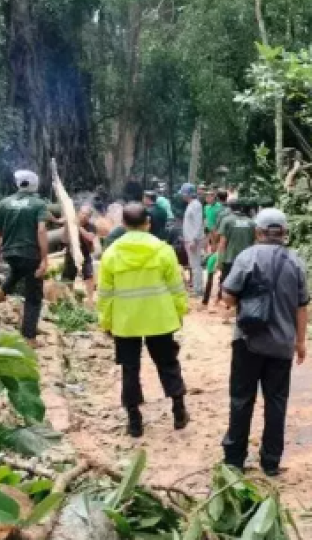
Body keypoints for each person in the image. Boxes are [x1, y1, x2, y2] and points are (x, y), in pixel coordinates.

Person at [220, 208, 309, 477]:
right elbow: (301, 307)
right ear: (284, 232)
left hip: (247, 341)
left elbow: (228, 297)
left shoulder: (247, 257)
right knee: (276, 402)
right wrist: (300, 342)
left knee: (241, 398)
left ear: (258, 232)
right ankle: (270, 462)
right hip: (282, 345)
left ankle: (234, 459)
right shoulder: (296, 262)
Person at [98, 204, 190, 438]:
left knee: (130, 369)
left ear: (124, 224)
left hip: (126, 322)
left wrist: (106, 321)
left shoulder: (112, 253)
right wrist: (180, 311)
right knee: (168, 364)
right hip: (159, 319)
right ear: (148, 223)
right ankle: (179, 411)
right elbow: (176, 287)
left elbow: (105, 294)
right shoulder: (163, 250)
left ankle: (134, 421)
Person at [0, 170, 50, 344]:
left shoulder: (3, 203)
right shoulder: (39, 204)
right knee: (33, 296)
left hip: (10, 252)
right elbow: (41, 230)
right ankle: (29, 336)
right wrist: (44, 258)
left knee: (16, 271)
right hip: (30, 254)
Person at [217, 199, 256, 306]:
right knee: (244, 284)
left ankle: (227, 307)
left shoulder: (227, 220)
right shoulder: (251, 223)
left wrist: (219, 260)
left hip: (230, 258)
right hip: (247, 260)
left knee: (228, 284)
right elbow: (255, 243)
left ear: (230, 208)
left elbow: (222, 242)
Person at [61, 204, 97, 306]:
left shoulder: (91, 227)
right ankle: (69, 299)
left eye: (87, 215)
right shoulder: (71, 224)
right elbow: (64, 240)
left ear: (89, 217)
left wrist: (79, 227)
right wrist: (67, 227)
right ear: (78, 213)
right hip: (70, 255)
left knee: (89, 276)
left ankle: (90, 299)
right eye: (83, 213)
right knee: (68, 278)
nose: (84, 216)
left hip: (85, 254)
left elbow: (90, 238)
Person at [180, 183, 205, 296]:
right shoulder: (191, 205)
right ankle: (196, 287)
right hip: (189, 239)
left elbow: (198, 223)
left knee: (195, 265)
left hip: (193, 240)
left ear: (187, 194)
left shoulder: (196, 205)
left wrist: (194, 240)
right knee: (193, 264)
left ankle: (198, 289)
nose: (182, 196)